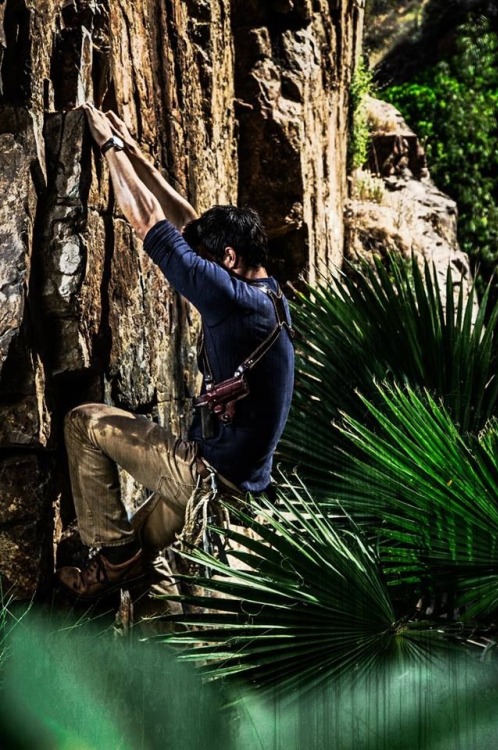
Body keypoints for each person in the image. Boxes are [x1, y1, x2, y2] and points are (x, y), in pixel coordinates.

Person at [56, 104, 294, 600]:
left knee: (84, 421)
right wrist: (140, 156)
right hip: (233, 489)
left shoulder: (231, 299)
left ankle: (114, 560)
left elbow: (149, 223)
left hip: (202, 478)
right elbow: (188, 223)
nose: (199, 267)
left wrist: (110, 148)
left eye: (210, 260)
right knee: (143, 552)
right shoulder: (269, 295)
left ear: (228, 259)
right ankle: (142, 611)